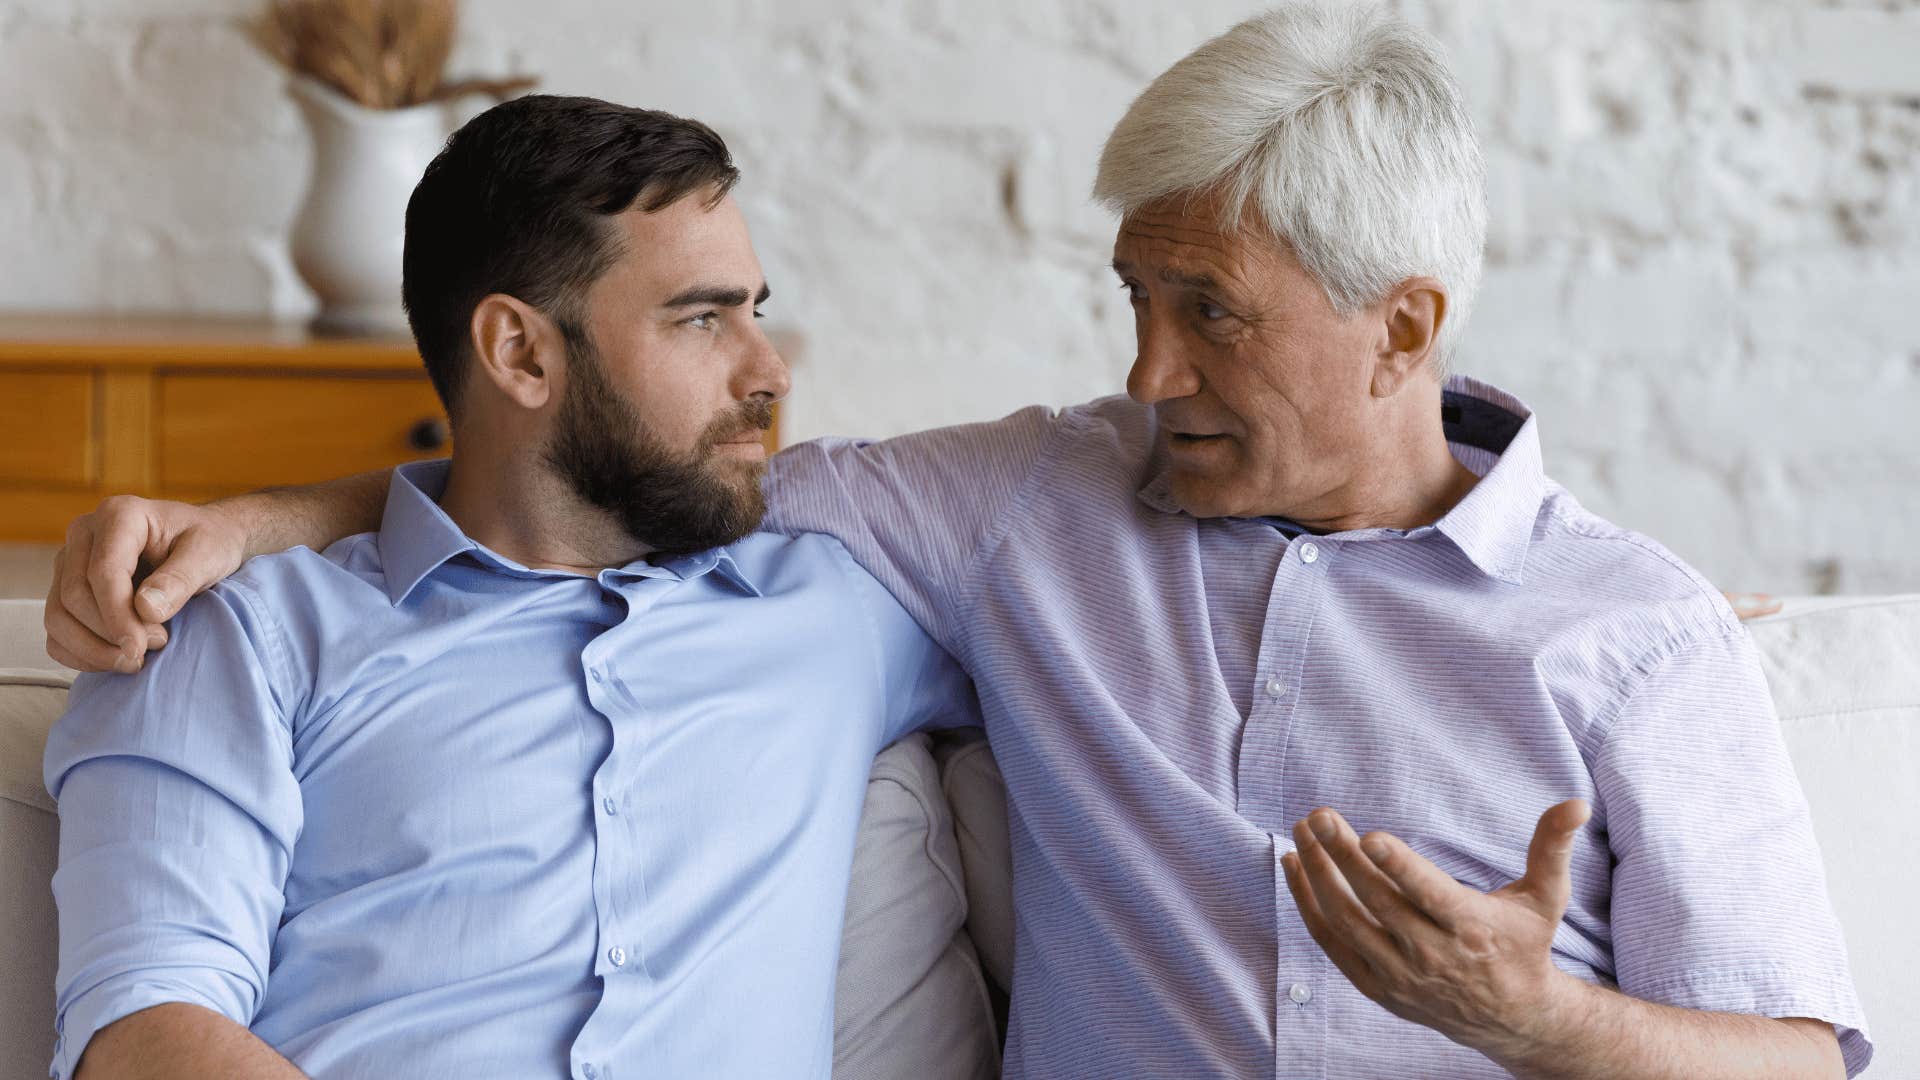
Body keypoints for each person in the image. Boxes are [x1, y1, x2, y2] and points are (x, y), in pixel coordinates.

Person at [47, 4, 1870, 1077]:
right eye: (1134, 301)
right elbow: (594, 498)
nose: (1144, 371)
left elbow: (1798, 1057)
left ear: (1405, 328)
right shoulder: (1028, 516)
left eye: (1208, 314)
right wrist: (254, 523)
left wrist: (1540, 1018)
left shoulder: (1630, 634)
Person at [41, 97, 976, 1080]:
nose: (770, 370)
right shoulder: (236, 635)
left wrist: (252, 513)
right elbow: (144, 1029)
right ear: (521, 354)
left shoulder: (842, 603)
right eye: (702, 318)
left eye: (756, 310)